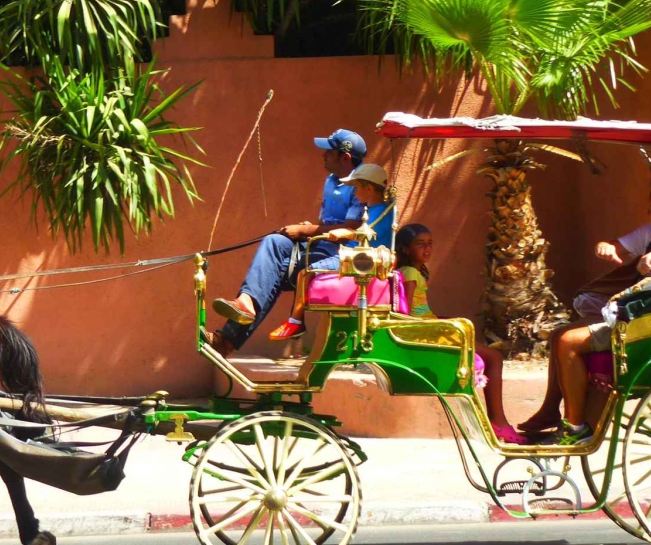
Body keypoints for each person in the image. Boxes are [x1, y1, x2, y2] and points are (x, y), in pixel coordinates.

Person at [519, 183, 651, 443]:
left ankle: (577, 427)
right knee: (560, 333)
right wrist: (604, 247)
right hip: (639, 313)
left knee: (569, 342)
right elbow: (616, 246)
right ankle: (550, 412)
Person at [207, 129, 371, 354]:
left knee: (273, 273)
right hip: (321, 245)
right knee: (274, 241)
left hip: (343, 254)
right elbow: (329, 221)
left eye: (329, 152)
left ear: (345, 158)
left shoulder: (360, 183)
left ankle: (226, 342)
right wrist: (309, 230)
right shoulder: (331, 181)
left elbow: (351, 228)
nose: (323, 156)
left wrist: (306, 230)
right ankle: (245, 302)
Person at [396, 224, 525, 445]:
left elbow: (420, 309)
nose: (427, 248)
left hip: (431, 326)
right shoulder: (409, 273)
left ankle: (497, 422)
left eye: (430, 244)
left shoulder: (415, 272)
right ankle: (499, 423)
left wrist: (441, 318)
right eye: (420, 244)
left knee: (483, 346)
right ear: (406, 249)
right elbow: (404, 312)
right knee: (494, 357)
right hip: (427, 333)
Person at [266, 163, 396, 341]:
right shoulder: (375, 209)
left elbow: (369, 232)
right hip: (353, 255)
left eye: (356, 187)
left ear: (370, 188)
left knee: (305, 273)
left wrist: (345, 233)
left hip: (360, 260)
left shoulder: (381, 211)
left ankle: (296, 321)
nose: (355, 193)